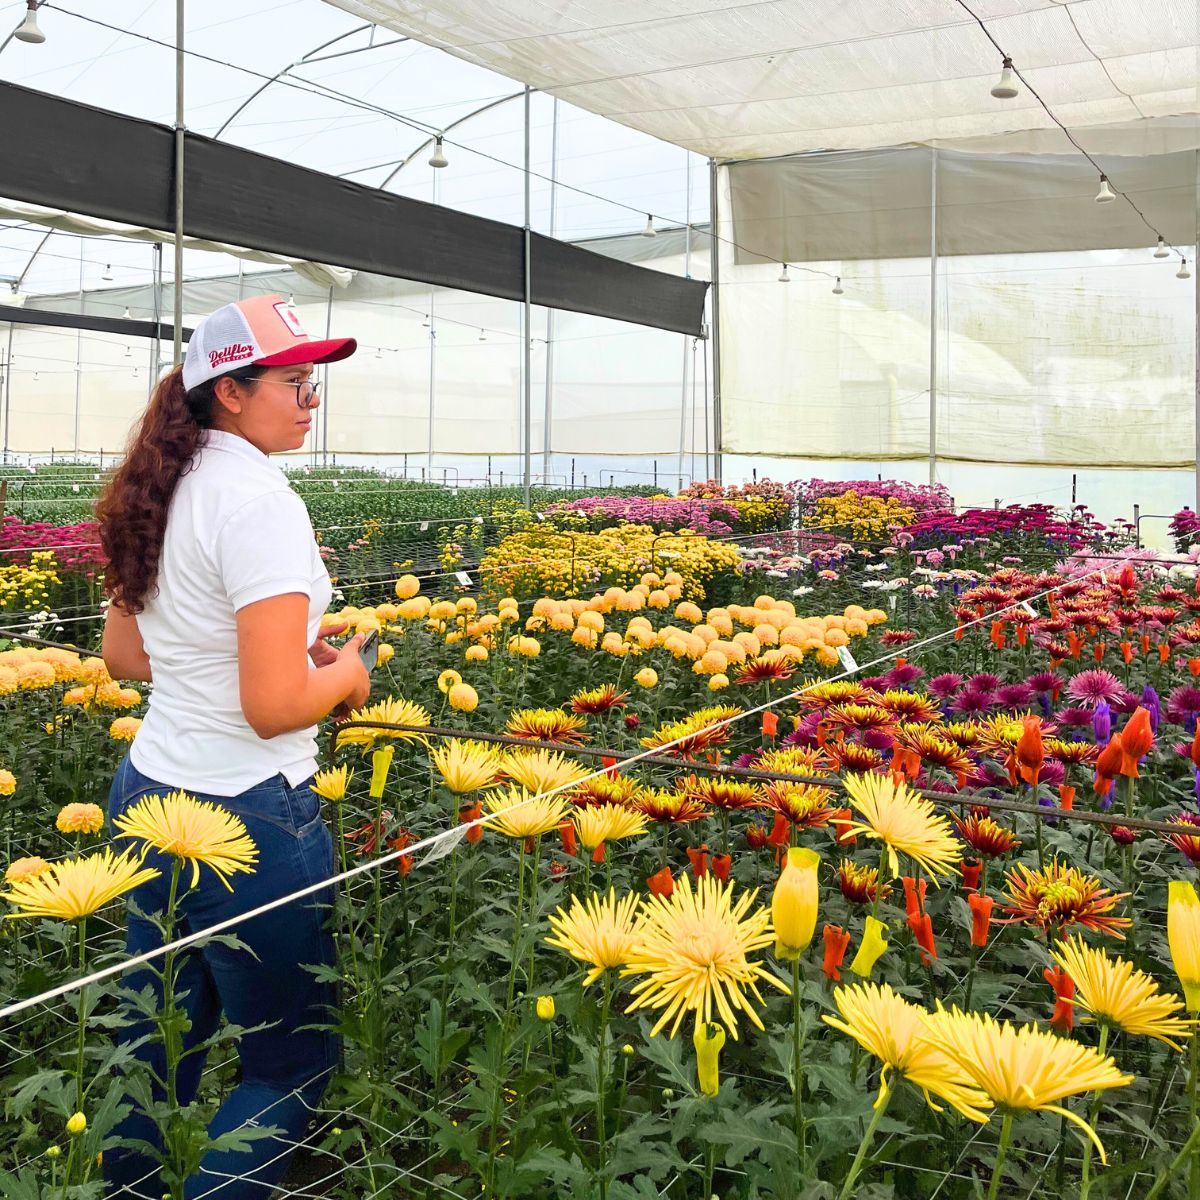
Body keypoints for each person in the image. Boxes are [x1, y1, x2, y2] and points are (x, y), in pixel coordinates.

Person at [96, 294, 370, 1197]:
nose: (311, 399)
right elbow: (275, 707)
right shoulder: (258, 502)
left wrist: (245, 661)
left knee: (153, 1046)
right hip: (251, 812)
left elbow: (125, 655)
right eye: (294, 381)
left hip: (150, 792)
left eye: (314, 381)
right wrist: (348, 675)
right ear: (231, 390)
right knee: (285, 1065)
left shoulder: (162, 486)